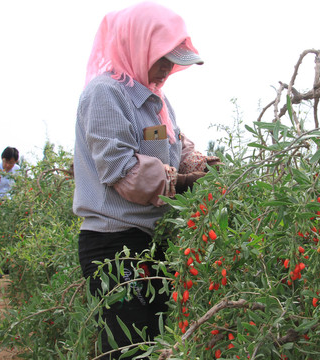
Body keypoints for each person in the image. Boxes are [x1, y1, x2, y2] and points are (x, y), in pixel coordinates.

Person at [73, 2, 220, 358]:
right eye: (164, 56)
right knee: (130, 344)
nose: (170, 66)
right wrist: (183, 184)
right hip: (114, 245)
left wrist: (202, 163)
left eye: (174, 58)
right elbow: (121, 169)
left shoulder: (157, 101)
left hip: (150, 240)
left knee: (154, 339)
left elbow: (176, 143)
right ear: (138, 45)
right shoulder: (105, 94)